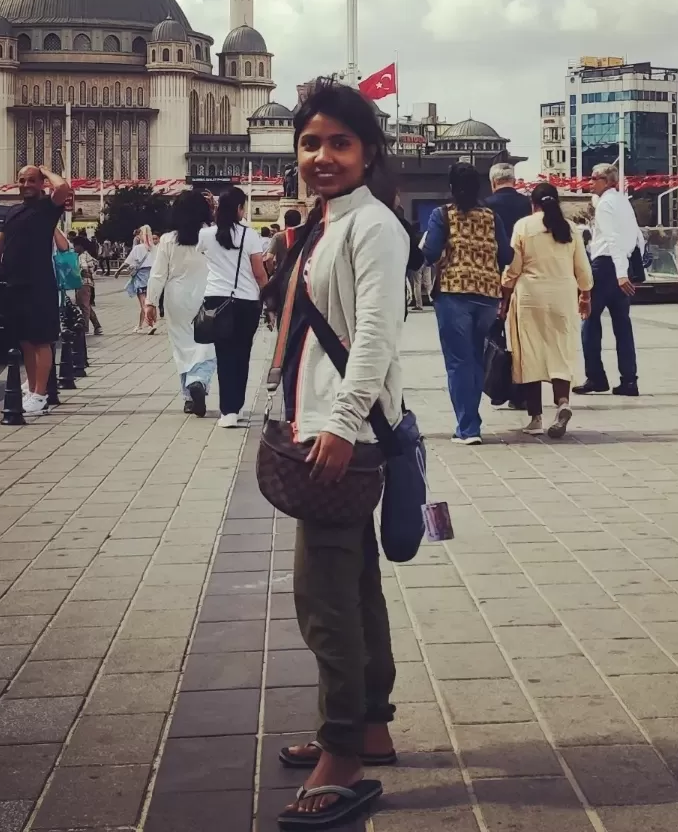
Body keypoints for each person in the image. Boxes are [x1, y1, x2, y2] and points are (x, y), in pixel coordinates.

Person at [262, 79, 405, 829]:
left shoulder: (371, 226)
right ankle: (370, 723)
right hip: (320, 424)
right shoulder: (325, 222)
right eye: (311, 143)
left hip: (338, 435)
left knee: (323, 600)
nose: (322, 156)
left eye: (339, 143)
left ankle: (341, 752)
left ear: (368, 152)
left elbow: (378, 335)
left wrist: (343, 423)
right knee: (354, 586)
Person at [0, 164, 72, 416]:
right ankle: (32, 389)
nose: (26, 185)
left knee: (41, 339)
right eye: (22, 180)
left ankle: (41, 395)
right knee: (25, 340)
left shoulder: (48, 208)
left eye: (31, 180)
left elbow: (63, 187)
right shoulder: (14, 211)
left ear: (40, 184)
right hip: (15, 283)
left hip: (40, 284)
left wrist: (45, 170)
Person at [422, 163, 511, 444]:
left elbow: (431, 252)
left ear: (451, 187)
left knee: (459, 362)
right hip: (487, 295)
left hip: (453, 293)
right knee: (475, 358)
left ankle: (468, 427)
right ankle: (471, 420)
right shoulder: (492, 217)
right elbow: (507, 255)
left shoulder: (442, 215)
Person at [501, 182, 593, 438]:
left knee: (530, 354)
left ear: (534, 204)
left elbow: (514, 267)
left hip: (530, 296)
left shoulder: (523, 226)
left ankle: (536, 418)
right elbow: (583, 269)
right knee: (560, 352)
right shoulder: (571, 228)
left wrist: (505, 290)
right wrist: (585, 294)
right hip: (563, 296)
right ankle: (562, 403)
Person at [198, 186, 269, 428]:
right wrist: (269, 299)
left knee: (224, 354)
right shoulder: (250, 235)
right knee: (242, 354)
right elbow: (259, 273)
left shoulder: (206, 235)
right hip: (247, 302)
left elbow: (202, 255)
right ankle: (235, 408)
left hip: (217, 301)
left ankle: (227, 410)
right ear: (240, 209)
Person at [144, 191, 216, 417]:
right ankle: (199, 381)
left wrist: (150, 302)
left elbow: (157, 274)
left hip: (176, 297)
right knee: (207, 344)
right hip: (208, 294)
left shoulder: (167, 239)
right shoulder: (212, 235)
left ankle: (187, 396)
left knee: (182, 345)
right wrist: (214, 210)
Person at [575, 163, 641, 396]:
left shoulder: (605, 205)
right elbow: (636, 235)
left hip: (605, 265)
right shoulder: (623, 201)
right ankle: (629, 380)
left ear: (609, 181)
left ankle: (595, 377)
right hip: (622, 263)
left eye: (595, 178)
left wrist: (621, 273)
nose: (590, 182)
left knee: (589, 320)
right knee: (622, 324)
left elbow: (611, 239)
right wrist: (631, 266)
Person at [116, 227, 158, 334]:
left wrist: (118, 271)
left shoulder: (138, 248)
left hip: (141, 277)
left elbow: (127, 262)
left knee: (144, 303)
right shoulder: (155, 248)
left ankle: (150, 325)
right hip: (153, 277)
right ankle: (140, 326)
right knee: (151, 303)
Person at [485, 162, 533, 245]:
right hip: (521, 252)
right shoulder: (527, 202)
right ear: (514, 181)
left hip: (496, 253)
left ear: (493, 182)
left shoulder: (486, 204)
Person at [74, 239, 102, 335]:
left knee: (84, 306)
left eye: (75, 246)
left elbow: (84, 269)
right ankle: (97, 326)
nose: (74, 248)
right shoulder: (87, 255)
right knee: (86, 305)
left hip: (83, 283)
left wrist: (77, 273)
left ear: (80, 246)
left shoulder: (82, 256)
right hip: (88, 283)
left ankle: (85, 328)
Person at [265, 209, 302, 276]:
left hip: (281, 275)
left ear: (285, 222)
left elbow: (269, 258)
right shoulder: (303, 236)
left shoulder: (278, 236)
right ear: (299, 222)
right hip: (297, 276)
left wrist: (272, 272)